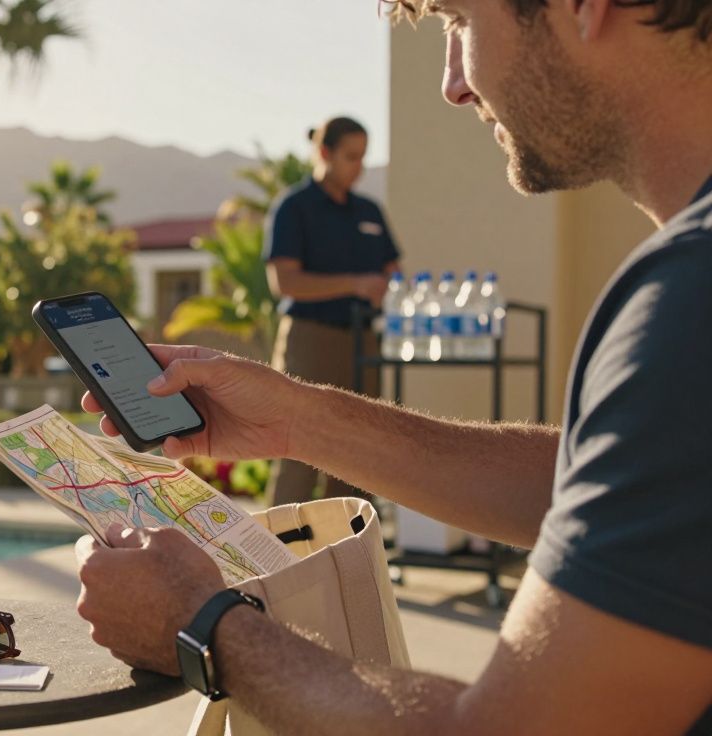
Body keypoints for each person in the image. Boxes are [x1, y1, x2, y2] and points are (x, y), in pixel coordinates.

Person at [75, 0, 712, 733]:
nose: (453, 84)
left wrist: (205, 622)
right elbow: (598, 486)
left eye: (459, 22)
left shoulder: (689, 305)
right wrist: (297, 418)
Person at [263, 116, 401, 505]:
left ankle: (351, 550)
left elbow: (394, 271)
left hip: (364, 339)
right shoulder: (294, 207)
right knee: (300, 446)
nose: (359, 166)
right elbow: (285, 283)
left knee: (360, 449)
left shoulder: (370, 211)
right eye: (351, 157)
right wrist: (355, 283)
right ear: (325, 153)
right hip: (311, 338)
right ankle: (283, 554)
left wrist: (390, 288)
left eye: (363, 157)